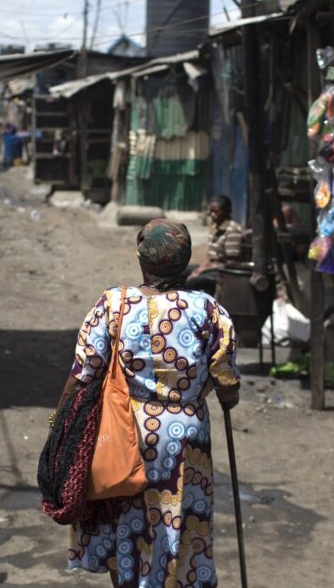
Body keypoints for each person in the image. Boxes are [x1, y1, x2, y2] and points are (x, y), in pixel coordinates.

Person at [58, 219, 240, 588]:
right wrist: (217, 391)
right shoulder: (210, 311)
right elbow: (228, 388)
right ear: (186, 261)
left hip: (126, 432)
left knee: (125, 521)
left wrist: (59, 427)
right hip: (187, 439)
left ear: (142, 260)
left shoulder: (113, 303)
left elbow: (82, 374)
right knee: (178, 525)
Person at [185, 195, 244, 295]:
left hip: (224, 271)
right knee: (181, 272)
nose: (212, 215)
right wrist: (200, 269)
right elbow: (210, 254)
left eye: (216, 212)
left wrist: (203, 271)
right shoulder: (215, 227)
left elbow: (231, 262)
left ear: (226, 211)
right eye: (210, 212)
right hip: (212, 267)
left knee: (192, 282)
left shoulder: (233, 230)